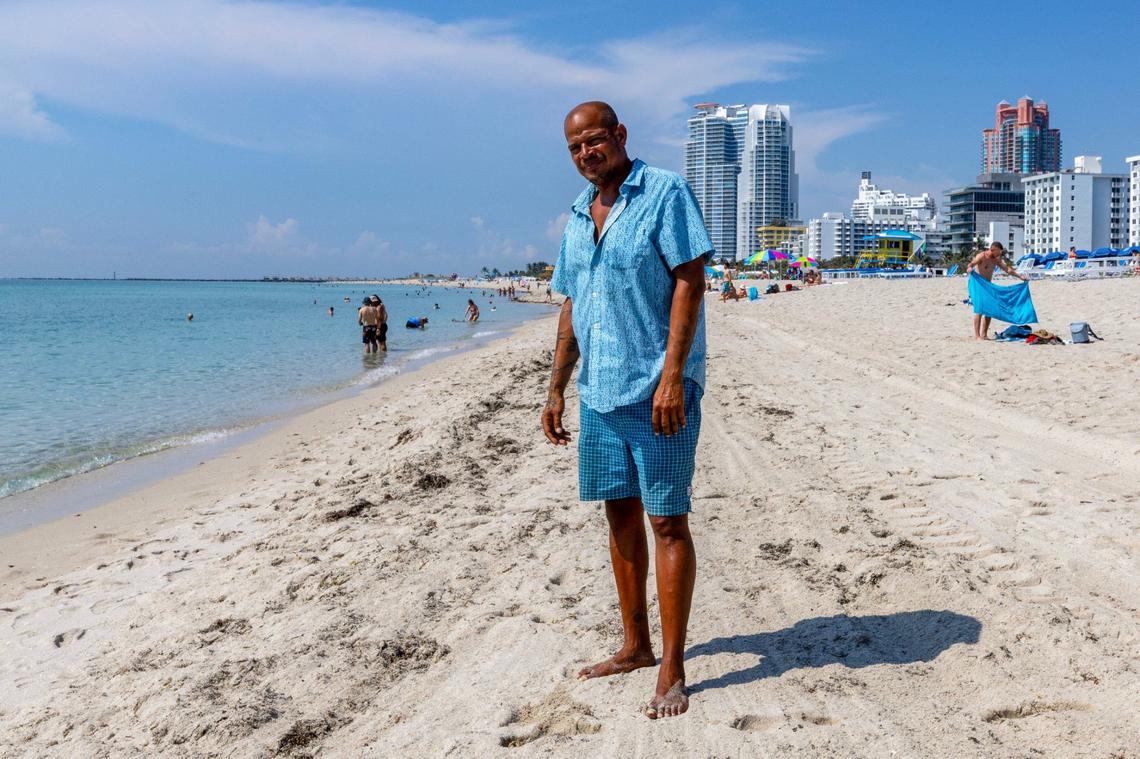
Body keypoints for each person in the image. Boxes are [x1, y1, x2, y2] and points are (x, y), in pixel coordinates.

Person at [542, 101, 710, 720]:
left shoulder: (664, 191)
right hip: (601, 391)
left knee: (667, 521)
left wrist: (672, 377)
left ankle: (672, 664)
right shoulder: (576, 216)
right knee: (619, 517)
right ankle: (635, 646)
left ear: (619, 136)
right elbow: (571, 306)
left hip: (657, 391)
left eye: (595, 140)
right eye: (575, 147)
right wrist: (557, 387)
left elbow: (691, 280)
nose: (587, 153)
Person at [966, 242, 1028, 340]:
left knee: (990, 310)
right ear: (993, 249)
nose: (999, 254)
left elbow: (1007, 269)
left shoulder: (995, 260)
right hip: (979, 286)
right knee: (980, 310)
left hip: (989, 287)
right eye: (998, 252)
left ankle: (984, 335)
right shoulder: (981, 256)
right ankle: (977, 336)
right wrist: (969, 267)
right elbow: (972, 263)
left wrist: (1020, 276)